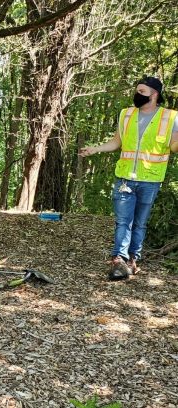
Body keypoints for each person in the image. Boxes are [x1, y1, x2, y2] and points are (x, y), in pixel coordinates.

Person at [80, 76, 178, 281]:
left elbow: (173, 147)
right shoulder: (126, 114)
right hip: (124, 177)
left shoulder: (170, 117)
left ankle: (133, 260)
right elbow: (116, 142)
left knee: (140, 222)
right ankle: (119, 259)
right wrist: (95, 149)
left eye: (142, 91)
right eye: (137, 91)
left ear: (154, 94)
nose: (137, 95)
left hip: (151, 179)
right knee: (123, 221)